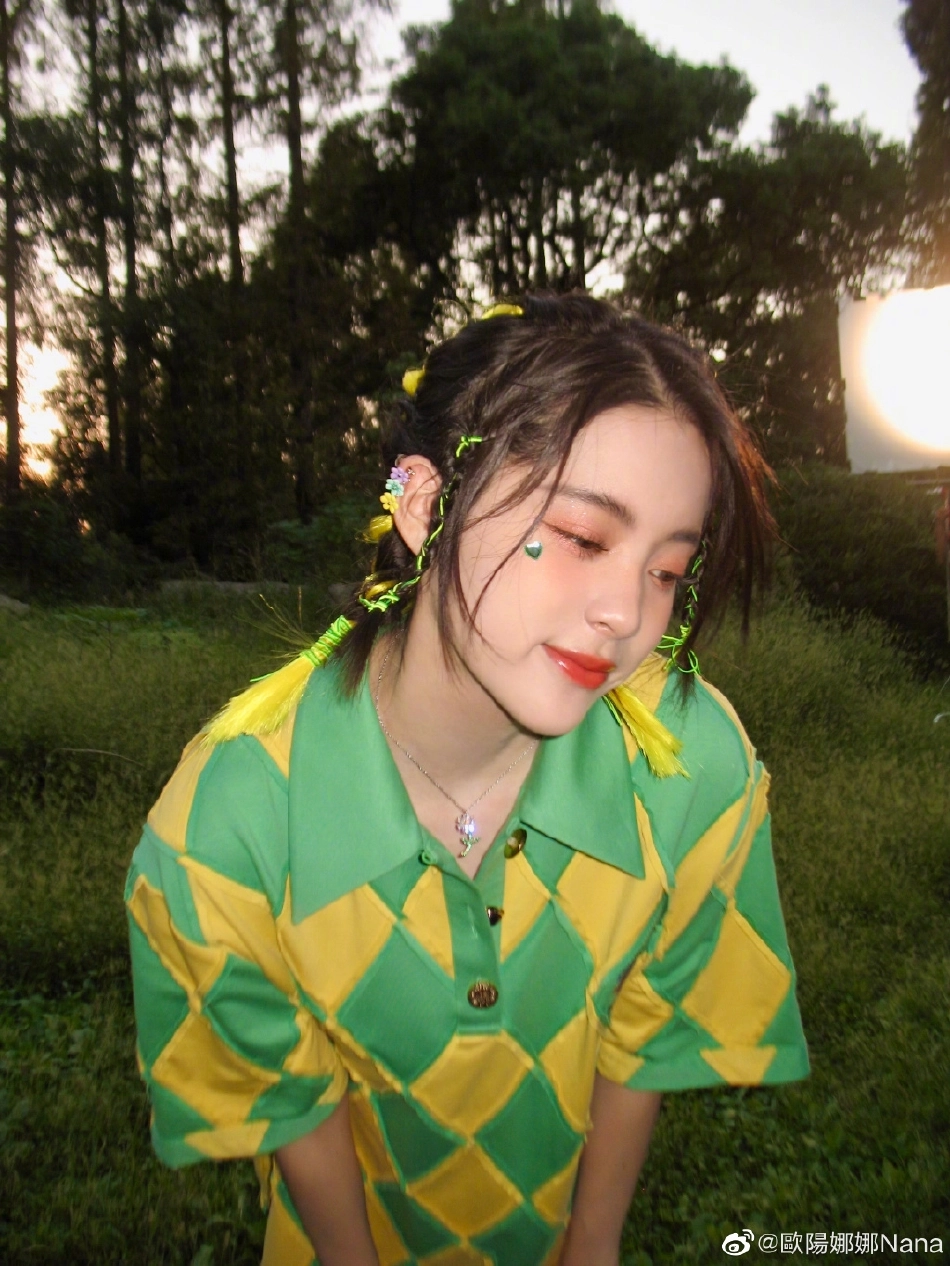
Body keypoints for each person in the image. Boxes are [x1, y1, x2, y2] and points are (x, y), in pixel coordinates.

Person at [126, 294, 809, 1266]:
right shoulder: (228, 824)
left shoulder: (686, 765)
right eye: (582, 537)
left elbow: (644, 1032)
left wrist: (592, 1246)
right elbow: (293, 1100)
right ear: (423, 505)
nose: (625, 612)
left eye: (666, 570)